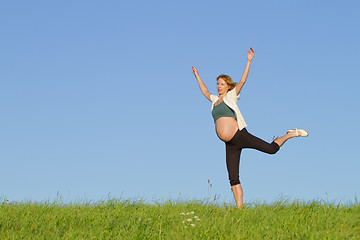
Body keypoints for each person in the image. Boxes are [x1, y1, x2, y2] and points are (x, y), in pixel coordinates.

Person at [192, 47, 308, 209]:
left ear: (228, 86)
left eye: (222, 84)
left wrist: (248, 61)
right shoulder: (213, 101)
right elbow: (204, 91)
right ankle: (240, 209)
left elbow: (243, 81)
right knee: (233, 177)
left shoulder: (232, 96)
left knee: (271, 149)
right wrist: (197, 76)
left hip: (241, 136)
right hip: (230, 144)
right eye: (217, 84)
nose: (218, 86)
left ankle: (289, 134)